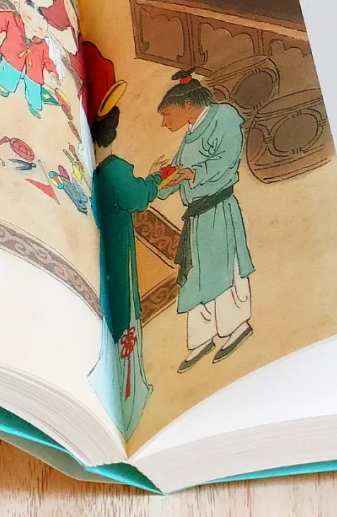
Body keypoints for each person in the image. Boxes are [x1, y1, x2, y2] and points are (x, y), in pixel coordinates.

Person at [156, 69, 254, 372]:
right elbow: (178, 169)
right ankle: (201, 338)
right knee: (195, 276)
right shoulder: (191, 132)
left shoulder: (224, 116)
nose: (165, 122)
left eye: (167, 114)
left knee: (224, 269)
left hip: (218, 207)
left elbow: (226, 159)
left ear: (187, 104)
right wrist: (159, 183)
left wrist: (193, 173)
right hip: (197, 217)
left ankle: (236, 326)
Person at [91, 90, 167, 439]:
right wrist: (157, 178)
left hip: (102, 245)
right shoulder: (116, 169)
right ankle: (128, 395)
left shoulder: (97, 170)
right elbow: (138, 198)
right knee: (125, 314)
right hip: (119, 249)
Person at [0, 0, 58, 118]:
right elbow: (0, 19)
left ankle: (34, 104)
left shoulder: (43, 44)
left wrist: (52, 71)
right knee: (8, 72)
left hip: (33, 69)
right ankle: (5, 87)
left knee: (34, 86)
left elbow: (47, 59)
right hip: (12, 59)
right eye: (30, 18)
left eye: (40, 26)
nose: (34, 26)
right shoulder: (13, 20)